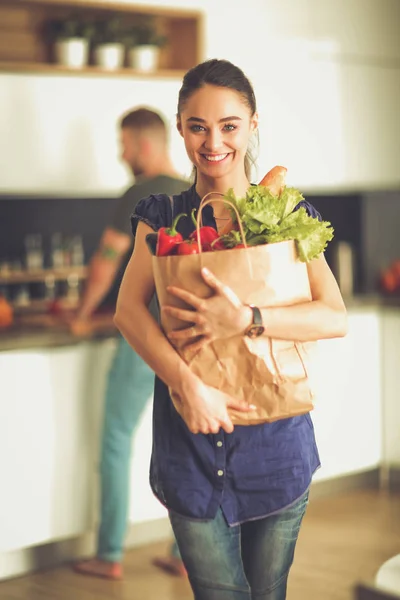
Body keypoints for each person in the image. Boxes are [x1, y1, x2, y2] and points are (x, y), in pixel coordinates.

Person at [114, 60, 348, 599]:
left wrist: (247, 319)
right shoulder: (162, 214)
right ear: (180, 128)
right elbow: (128, 311)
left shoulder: (286, 213)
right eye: (198, 126)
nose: (213, 141)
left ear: (253, 124)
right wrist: (185, 384)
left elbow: (333, 315)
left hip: (276, 448)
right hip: (189, 447)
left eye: (229, 125)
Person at [72, 107, 188, 580]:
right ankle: (184, 555)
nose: (121, 154)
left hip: (145, 331)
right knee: (185, 442)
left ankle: (109, 554)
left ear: (143, 145)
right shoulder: (192, 193)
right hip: (187, 335)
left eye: (123, 144)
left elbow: (107, 259)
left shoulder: (141, 193)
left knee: (117, 437)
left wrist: (82, 315)